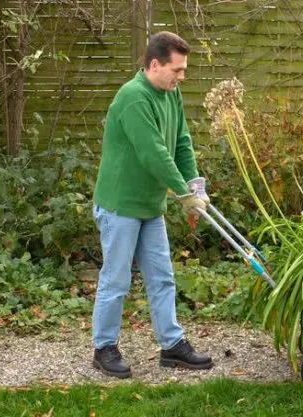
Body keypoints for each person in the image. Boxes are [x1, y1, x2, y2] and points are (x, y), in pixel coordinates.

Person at [90, 31, 212, 379]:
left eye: (184, 70)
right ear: (154, 64)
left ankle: (172, 346)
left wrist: (195, 186)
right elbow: (153, 153)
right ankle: (104, 348)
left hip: (149, 205)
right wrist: (182, 193)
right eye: (177, 69)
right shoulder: (133, 97)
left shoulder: (171, 94)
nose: (182, 76)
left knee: (162, 277)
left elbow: (181, 144)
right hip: (120, 206)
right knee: (116, 281)